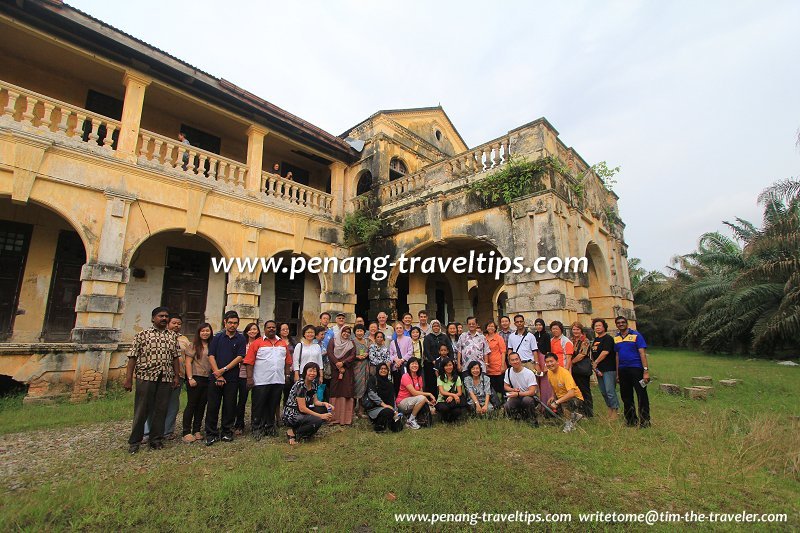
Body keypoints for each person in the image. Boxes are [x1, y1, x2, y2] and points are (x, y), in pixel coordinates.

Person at [124, 306, 181, 453]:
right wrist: (128, 379)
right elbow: (132, 358)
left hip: (166, 377)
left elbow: (175, 358)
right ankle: (135, 441)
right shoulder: (142, 335)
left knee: (161, 409)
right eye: (161, 316)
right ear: (153, 318)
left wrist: (176, 376)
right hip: (146, 376)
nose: (164, 318)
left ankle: (156, 439)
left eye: (166, 316)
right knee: (142, 409)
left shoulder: (172, 336)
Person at [143, 313, 189, 442]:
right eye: (174, 323)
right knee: (152, 404)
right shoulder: (157, 337)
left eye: (179, 324)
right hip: (158, 376)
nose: (176, 326)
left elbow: (189, 357)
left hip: (178, 376)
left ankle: (167, 431)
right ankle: (148, 431)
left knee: (172, 404)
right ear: (168, 323)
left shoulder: (184, 339)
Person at [244, 320, 291, 440]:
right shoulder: (257, 343)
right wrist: (249, 378)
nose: (271, 329)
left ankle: (270, 426)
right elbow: (249, 362)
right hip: (261, 380)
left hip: (278, 380)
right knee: (258, 405)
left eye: (273, 327)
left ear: (276, 329)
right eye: (268, 327)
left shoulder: (282, 343)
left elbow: (287, 361)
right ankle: (256, 427)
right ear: (264, 329)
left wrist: (286, 376)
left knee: (273, 404)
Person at [205, 311, 246, 445]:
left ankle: (227, 432)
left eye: (235, 323)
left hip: (232, 378)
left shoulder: (240, 339)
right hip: (215, 377)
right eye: (230, 323)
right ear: (225, 322)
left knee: (229, 406)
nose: (232, 325)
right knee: (213, 406)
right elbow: (211, 355)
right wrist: (218, 372)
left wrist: (224, 370)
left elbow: (240, 357)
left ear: (238, 324)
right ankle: (211, 433)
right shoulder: (217, 337)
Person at [283, 362, 334, 445]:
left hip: (304, 410)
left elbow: (315, 402)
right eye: (310, 371)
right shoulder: (301, 385)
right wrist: (320, 416)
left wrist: (325, 404)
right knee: (318, 419)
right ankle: (293, 432)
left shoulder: (314, 384)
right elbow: (302, 408)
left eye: (315, 371)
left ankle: (305, 432)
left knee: (324, 410)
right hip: (293, 413)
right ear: (305, 372)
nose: (312, 373)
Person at [613, 316, 651, 428]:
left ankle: (645, 421)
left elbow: (642, 354)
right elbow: (617, 356)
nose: (621, 324)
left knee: (641, 395)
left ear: (627, 323)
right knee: (626, 396)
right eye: (618, 323)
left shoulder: (636, 335)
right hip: (623, 370)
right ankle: (630, 420)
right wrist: (617, 373)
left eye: (623, 322)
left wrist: (646, 371)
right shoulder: (616, 338)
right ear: (616, 325)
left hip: (636, 369)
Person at [182, 322, 213, 443]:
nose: (205, 333)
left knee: (201, 405)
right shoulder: (193, 345)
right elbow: (188, 362)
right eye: (203, 331)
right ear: (199, 333)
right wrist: (190, 378)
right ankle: (186, 431)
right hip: (196, 377)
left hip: (208, 378)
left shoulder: (212, 345)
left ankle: (196, 429)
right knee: (192, 404)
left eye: (207, 331)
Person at [544, 352, 585, 432]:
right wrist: (553, 397)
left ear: (557, 361)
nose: (549, 364)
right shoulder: (549, 373)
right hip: (561, 398)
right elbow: (553, 387)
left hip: (576, 398)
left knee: (564, 403)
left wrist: (557, 402)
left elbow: (571, 393)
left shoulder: (565, 373)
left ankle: (569, 424)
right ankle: (574, 416)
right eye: (547, 362)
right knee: (548, 405)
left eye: (551, 361)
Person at [234, 322, 260, 435]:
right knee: (242, 400)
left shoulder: (261, 343)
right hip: (243, 374)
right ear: (246, 331)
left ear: (258, 331)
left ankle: (256, 424)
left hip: (258, 374)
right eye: (250, 329)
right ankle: (239, 424)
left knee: (257, 400)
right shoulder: (242, 343)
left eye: (255, 329)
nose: (253, 331)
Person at [327, 325, 356, 425]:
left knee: (346, 391)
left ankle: (345, 419)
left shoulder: (351, 343)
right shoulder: (333, 341)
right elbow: (330, 353)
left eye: (348, 332)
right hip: (335, 371)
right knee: (335, 391)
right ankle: (333, 417)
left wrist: (343, 363)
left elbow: (353, 355)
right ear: (341, 332)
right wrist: (338, 365)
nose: (346, 333)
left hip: (347, 371)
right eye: (344, 331)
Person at [591, 318, 620, 420]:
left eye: (599, 325)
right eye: (596, 326)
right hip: (599, 370)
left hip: (609, 368)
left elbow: (605, 352)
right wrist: (594, 365)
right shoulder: (595, 340)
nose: (597, 327)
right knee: (603, 391)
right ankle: (609, 409)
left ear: (604, 327)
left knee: (610, 390)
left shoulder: (608, 339)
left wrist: (596, 362)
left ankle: (615, 410)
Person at [395, 357, 436, 429]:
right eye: (412, 364)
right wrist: (429, 394)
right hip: (402, 403)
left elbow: (421, 393)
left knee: (432, 409)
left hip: (413, 401)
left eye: (416, 364)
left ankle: (415, 418)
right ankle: (410, 420)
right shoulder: (405, 376)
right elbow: (414, 393)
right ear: (408, 366)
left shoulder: (419, 377)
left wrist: (429, 402)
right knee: (422, 398)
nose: (414, 365)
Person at [364, 362, 404, 433]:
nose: (383, 370)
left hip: (389, 409)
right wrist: (384, 405)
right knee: (387, 411)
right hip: (375, 408)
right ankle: (379, 427)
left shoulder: (390, 383)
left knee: (398, 428)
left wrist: (395, 410)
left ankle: (389, 425)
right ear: (377, 370)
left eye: (385, 369)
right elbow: (372, 394)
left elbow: (393, 398)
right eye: (381, 369)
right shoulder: (373, 380)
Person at [503, 352, 539, 427]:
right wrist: (513, 390)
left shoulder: (529, 373)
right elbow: (505, 386)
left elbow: (532, 392)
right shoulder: (508, 371)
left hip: (529, 396)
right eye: (512, 360)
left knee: (527, 400)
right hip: (516, 396)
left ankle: (532, 420)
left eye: (517, 359)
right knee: (507, 406)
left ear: (520, 360)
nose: (515, 362)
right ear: (509, 362)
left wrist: (519, 394)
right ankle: (516, 420)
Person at [569, 322, 594, 417]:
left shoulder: (585, 340)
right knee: (576, 390)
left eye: (577, 329)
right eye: (574, 329)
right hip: (574, 369)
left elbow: (582, 354)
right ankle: (579, 410)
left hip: (582, 368)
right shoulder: (571, 340)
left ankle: (588, 412)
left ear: (581, 330)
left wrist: (571, 362)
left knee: (585, 390)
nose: (575, 331)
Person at [422, 320, 450, 397]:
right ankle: (432, 399)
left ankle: (445, 397)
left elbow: (449, 348)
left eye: (437, 326)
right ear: (431, 327)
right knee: (431, 383)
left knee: (444, 381)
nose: (436, 327)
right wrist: (433, 361)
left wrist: (449, 360)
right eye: (434, 326)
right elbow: (426, 351)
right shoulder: (428, 337)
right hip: (430, 364)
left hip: (444, 363)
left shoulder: (444, 336)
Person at [351, 324, 372, 418]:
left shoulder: (367, 342)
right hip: (355, 368)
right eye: (357, 331)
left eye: (361, 331)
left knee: (364, 387)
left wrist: (367, 354)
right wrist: (356, 357)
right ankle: (352, 411)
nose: (359, 333)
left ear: (364, 332)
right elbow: (349, 355)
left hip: (365, 366)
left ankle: (361, 411)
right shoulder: (352, 342)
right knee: (355, 388)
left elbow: (371, 351)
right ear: (355, 332)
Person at [436, 358, 465, 423]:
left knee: (457, 411)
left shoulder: (457, 377)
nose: (448, 367)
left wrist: (452, 397)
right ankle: (444, 418)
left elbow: (460, 392)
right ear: (443, 367)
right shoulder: (440, 378)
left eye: (450, 365)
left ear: (453, 366)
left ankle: (450, 420)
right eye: (446, 366)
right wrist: (453, 395)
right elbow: (442, 391)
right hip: (442, 400)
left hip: (453, 400)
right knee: (444, 408)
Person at [483, 320, 507, 400]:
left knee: (501, 386)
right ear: (486, 328)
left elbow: (503, 352)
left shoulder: (499, 338)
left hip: (498, 366)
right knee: (491, 388)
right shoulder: (484, 338)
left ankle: (505, 404)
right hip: (488, 367)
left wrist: (503, 365)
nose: (490, 328)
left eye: (492, 326)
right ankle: (495, 404)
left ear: (495, 328)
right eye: (489, 326)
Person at [532, 318, 554, 407]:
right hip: (536, 359)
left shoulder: (546, 335)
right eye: (537, 325)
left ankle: (547, 404)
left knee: (545, 382)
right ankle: (539, 405)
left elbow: (548, 350)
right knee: (537, 381)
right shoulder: (534, 335)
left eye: (540, 325)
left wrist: (546, 364)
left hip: (544, 358)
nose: (538, 326)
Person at [389, 321, 413, 395]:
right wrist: (396, 360)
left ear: (403, 329)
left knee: (406, 384)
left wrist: (402, 360)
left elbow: (410, 351)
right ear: (395, 330)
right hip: (396, 367)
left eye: (400, 328)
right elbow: (390, 354)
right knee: (397, 385)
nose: (399, 329)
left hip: (405, 365)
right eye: (397, 328)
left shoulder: (408, 339)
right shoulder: (393, 342)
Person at [278, 322, 296, 415]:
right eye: (283, 329)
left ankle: (287, 414)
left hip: (291, 370)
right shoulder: (277, 341)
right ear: (279, 331)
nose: (285, 331)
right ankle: (277, 416)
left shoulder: (293, 341)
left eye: (287, 329)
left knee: (288, 394)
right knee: (277, 395)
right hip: (279, 370)